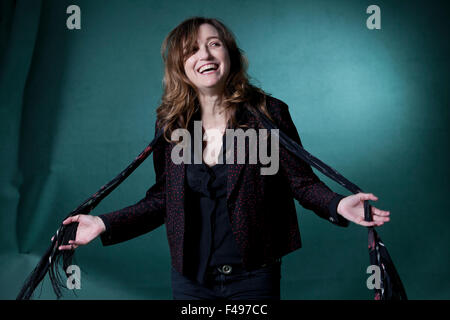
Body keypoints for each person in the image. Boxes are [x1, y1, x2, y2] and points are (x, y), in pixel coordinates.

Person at [56, 17, 391, 300]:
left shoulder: (267, 113)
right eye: (192, 49)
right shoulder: (171, 125)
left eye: (214, 44)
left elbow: (300, 181)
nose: (205, 54)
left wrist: (337, 204)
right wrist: (102, 224)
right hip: (190, 278)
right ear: (180, 66)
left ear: (229, 54)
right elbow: (163, 198)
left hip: (254, 276)